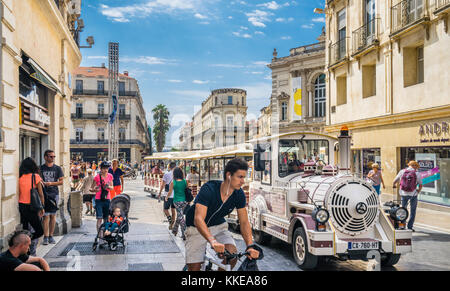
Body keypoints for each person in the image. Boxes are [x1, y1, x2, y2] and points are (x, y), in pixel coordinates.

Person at [184, 158, 260, 271]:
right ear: (229, 175)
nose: (243, 181)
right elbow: (198, 219)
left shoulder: (239, 194)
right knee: (194, 268)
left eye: (244, 177)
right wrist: (213, 241)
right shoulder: (209, 189)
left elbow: (244, 222)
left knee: (232, 256)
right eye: (240, 177)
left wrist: (250, 246)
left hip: (218, 226)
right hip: (196, 228)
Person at [18, 158, 45, 256]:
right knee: (39, 231)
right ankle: (25, 244)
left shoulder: (19, 177)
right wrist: (42, 207)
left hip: (22, 206)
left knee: (26, 230)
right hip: (32, 207)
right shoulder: (36, 176)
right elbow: (41, 194)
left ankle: (25, 251)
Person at [40, 150, 64, 246]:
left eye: (54, 157)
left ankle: (51, 235)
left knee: (53, 215)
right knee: (46, 216)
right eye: (50, 156)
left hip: (54, 194)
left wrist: (51, 183)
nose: (52, 158)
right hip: (44, 194)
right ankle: (45, 237)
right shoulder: (40, 168)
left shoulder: (57, 168)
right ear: (45, 157)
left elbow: (61, 182)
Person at [393, 160, 423, 232]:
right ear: (415, 166)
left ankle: (402, 225)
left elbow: (394, 181)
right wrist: (418, 191)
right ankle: (410, 227)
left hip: (403, 194)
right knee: (413, 210)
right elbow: (421, 185)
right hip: (413, 195)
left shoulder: (402, 171)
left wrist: (394, 185)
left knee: (403, 210)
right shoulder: (417, 173)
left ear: (409, 165)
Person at [90, 162, 114, 234]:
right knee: (99, 218)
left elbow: (112, 188)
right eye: (104, 168)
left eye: (107, 168)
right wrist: (95, 189)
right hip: (98, 200)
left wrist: (108, 187)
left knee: (106, 219)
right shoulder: (97, 177)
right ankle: (100, 236)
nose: (106, 170)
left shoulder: (110, 176)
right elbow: (91, 189)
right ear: (101, 169)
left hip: (107, 199)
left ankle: (105, 234)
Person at [168, 167, 188, 240]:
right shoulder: (185, 181)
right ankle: (175, 230)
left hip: (176, 201)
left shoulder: (173, 182)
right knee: (180, 216)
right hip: (184, 201)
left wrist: (166, 197)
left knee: (180, 217)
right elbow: (187, 190)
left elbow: (170, 192)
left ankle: (185, 233)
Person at [158, 162, 176, 229]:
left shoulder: (166, 174)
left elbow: (163, 185)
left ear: (169, 167)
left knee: (165, 209)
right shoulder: (177, 174)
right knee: (173, 210)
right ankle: (172, 224)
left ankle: (170, 220)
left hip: (167, 195)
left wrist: (160, 192)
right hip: (175, 195)